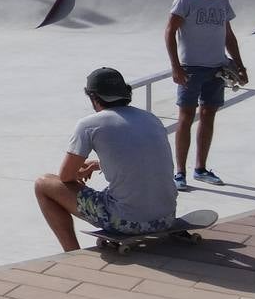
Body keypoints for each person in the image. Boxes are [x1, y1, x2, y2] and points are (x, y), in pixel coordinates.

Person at [33, 67, 177, 251]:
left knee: (43, 184)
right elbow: (143, 160)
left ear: (93, 97)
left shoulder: (89, 125)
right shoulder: (151, 118)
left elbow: (65, 177)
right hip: (166, 217)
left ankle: (71, 252)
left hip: (126, 221)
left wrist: (78, 171)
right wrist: (97, 164)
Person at [165, 0, 248, 190]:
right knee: (186, 117)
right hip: (191, 68)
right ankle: (179, 172)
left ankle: (200, 169)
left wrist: (239, 65)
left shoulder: (222, 3)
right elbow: (169, 32)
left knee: (209, 114)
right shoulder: (186, 0)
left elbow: (228, 36)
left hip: (217, 68)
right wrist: (175, 66)